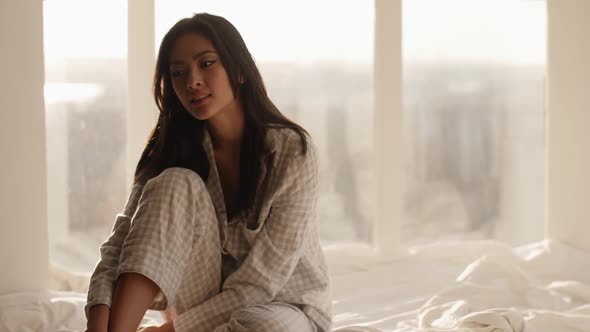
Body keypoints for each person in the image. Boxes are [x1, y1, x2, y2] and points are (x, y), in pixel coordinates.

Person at [84, 13, 331, 332]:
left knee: (262, 327)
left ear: (239, 69)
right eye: (178, 72)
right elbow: (120, 245)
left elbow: (258, 285)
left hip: (285, 306)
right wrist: (98, 325)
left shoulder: (292, 152)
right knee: (175, 181)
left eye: (207, 63)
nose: (192, 81)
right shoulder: (173, 150)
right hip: (199, 306)